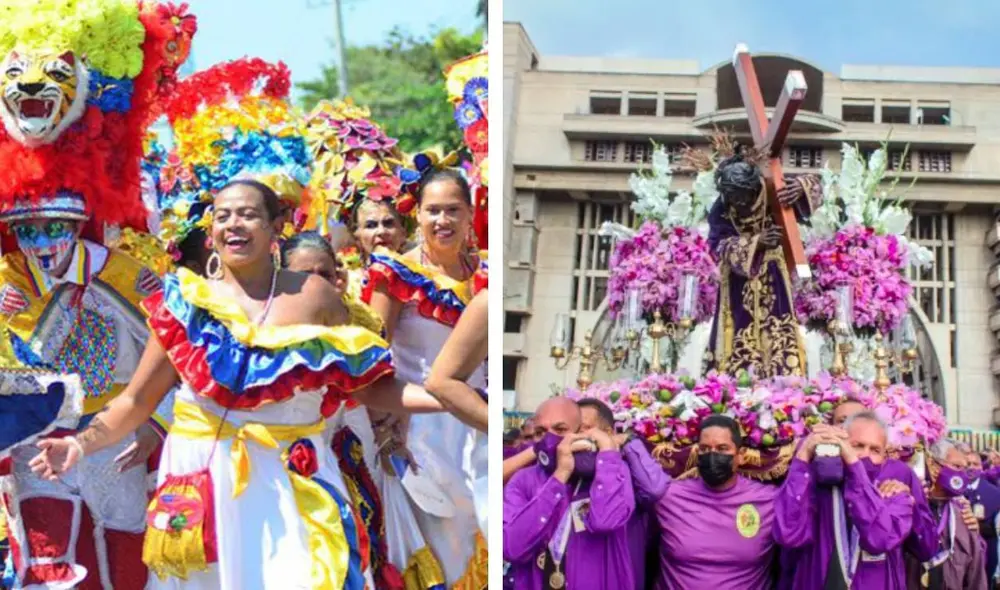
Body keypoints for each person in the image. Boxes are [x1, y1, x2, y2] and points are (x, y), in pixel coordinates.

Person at [28, 179, 446, 589]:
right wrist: (79, 445)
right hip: (205, 477)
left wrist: (442, 397)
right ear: (211, 233)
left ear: (274, 227)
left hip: (292, 473)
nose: (234, 225)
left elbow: (365, 387)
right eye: (223, 216)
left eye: (247, 215)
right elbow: (137, 400)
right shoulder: (186, 305)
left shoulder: (314, 295)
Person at [0, 3, 196, 587]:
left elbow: (175, 354)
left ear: (79, 223)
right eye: (29, 228)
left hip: (115, 434)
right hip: (38, 440)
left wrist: (153, 427)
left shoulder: (125, 273)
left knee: (129, 552)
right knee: (49, 560)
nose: (42, 241)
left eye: (56, 227)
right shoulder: (7, 275)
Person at [304, 99, 445, 587]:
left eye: (389, 222)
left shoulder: (417, 277)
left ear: (404, 227)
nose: (380, 231)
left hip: (397, 407)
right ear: (354, 232)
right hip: (348, 410)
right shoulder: (333, 280)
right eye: (370, 223)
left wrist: (394, 414)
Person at [364, 167, 488, 586]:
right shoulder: (394, 274)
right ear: (415, 216)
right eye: (432, 210)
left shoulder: (485, 275)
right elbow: (372, 360)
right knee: (444, 545)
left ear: (471, 214)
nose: (443, 221)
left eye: (453, 210)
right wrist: (385, 426)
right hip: (419, 428)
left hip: (477, 421)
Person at [280, 229, 405, 587]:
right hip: (273, 461)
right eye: (303, 276)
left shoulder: (357, 325)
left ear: (339, 278)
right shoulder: (260, 323)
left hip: (342, 447)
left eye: (324, 274)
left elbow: (373, 391)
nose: (314, 285)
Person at [702, 140, 823, 378]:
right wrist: (757, 242)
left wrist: (800, 187)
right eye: (734, 198)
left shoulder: (771, 189)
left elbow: (816, 188)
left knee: (778, 331)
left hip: (773, 273)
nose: (741, 204)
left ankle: (784, 380)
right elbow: (718, 245)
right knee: (737, 335)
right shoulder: (722, 208)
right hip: (738, 280)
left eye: (744, 197)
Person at [504, 396, 636, 589]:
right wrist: (560, 477)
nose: (550, 439)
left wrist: (607, 449)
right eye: (540, 432)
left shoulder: (611, 471)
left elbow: (606, 521)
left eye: (560, 430)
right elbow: (511, 548)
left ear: (579, 433)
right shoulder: (523, 480)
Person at [775, 412, 917, 588]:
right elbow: (788, 534)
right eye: (857, 446)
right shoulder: (815, 491)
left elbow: (879, 539)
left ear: (884, 458)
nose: (865, 455)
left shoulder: (895, 496)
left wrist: (853, 465)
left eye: (875, 450)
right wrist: (803, 455)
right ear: (839, 446)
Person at [654, 414, 778, 588]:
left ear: (741, 455)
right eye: (705, 449)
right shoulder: (668, 495)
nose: (712, 456)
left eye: (722, 448)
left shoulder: (769, 499)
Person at [577, 398, 668, 590]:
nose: (576, 435)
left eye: (584, 428)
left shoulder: (627, 472)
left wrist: (628, 441)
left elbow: (654, 489)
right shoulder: (567, 472)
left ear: (608, 433)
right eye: (572, 428)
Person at [905, 440, 988, 589]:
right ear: (933, 464)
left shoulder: (963, 515)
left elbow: (976, 573)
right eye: (956, 467)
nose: (961, 475)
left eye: (965, 469)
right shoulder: (910, 506)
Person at [964, 447, 1000, 583]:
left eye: (975, 464)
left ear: (981, 467)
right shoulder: (951, 489)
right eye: (968, 464)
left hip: (985, 553)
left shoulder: (995, 493)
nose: (971, 468)